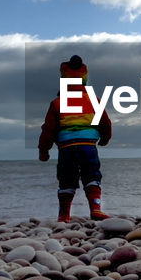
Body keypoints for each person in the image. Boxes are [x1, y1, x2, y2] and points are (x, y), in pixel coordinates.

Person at [37, 55, 112, 221]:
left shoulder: (57, 102)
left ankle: (64, 215)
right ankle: (96, 209)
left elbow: (48, 129)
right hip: (88, 146)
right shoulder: (94, 100)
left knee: (66, 179)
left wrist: (44, 151)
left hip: (67, 148)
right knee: (92, 175)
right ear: (84, 78)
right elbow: (105, 123)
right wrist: (105, 139)